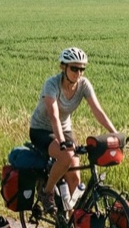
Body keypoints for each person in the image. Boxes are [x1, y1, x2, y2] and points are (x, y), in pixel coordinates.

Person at [29, 47, 117, 211]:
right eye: (74, 68)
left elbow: (97, 110)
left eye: (82, 69)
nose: (78, 73)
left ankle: (72, 219)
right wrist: (62, 142)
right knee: (66, 156)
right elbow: (54, 115)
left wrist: (114, 133)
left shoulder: (84, 85)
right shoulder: (52, 84)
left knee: (75, 177)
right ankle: (46, 192)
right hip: (41, 129)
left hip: (64, 128)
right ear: (64, 67)